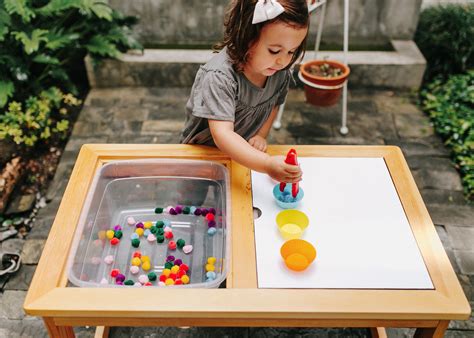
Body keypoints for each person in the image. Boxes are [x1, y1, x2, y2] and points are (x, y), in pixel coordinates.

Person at [181, 0, 308, 184]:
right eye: (274, 51)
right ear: (246, 37)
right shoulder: (220, 77)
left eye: (291, 51)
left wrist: (260, 135)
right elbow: (223, 135)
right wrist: (266, 164)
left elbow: (274, 104)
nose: (283, 61)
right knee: (190, 198)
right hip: (201, 156)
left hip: (242, 154)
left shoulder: (278, 72)